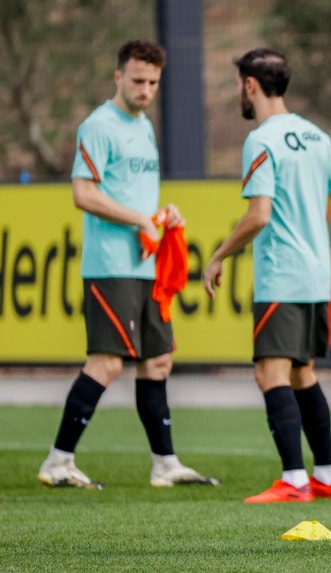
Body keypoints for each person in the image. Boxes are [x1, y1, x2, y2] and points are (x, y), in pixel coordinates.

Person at [38, 40, 219, 489]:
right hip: (111, 265)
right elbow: (83, 194)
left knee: (157, 363)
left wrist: (161, 215)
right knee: (107, 363)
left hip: (146, 266)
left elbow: (137, 197)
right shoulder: (98, 126)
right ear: (118, 76)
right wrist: (141, 218)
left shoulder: (145, 127)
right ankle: (57, 462)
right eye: (138, 80)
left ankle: (165, 464)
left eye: (154, 82)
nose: (146, 89)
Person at [202, 48, 331, 504]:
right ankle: (327, 475)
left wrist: (218, 256)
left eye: (238, 85)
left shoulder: (261, 139)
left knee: (270, 374)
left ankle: (293, 480)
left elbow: (258, 216)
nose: (239, 93)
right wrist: (319, 246)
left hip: (281, 276)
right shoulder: (316, 136)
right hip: (313, 275)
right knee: (301, 374)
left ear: (250, 84)